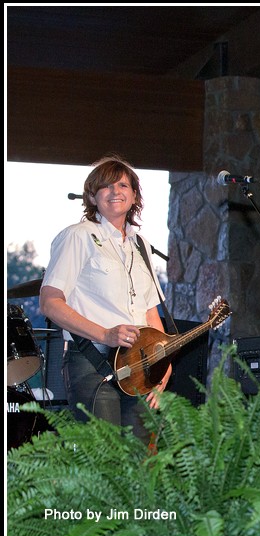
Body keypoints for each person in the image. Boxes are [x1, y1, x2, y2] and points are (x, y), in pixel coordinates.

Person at [39, 154, 171, 443]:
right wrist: (105, 333)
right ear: (92, 196)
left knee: (142, 466)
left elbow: (150, 314)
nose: (115, 192)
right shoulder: (78, 236)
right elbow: (49, 302)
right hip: (92, 362)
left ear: (134, 195)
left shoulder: (141, 244)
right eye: (106, 187)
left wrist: (164, 370)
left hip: (140, 367)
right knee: (106, 463)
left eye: (123, 186)